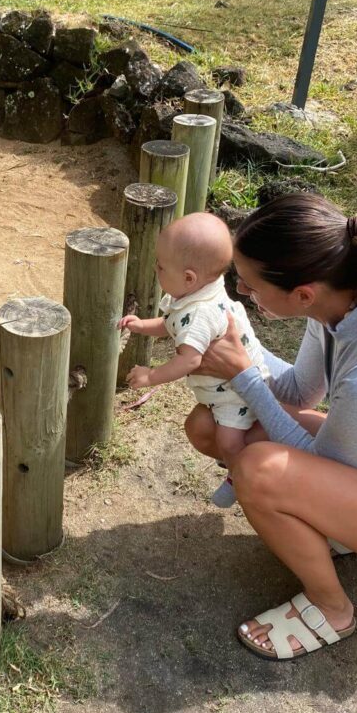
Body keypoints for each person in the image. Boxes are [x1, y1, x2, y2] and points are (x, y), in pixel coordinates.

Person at [184, 194, 357, 661]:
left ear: (303, 293)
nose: (243, 293)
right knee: (209, 424)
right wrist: (243, 351)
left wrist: (243, 373)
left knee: (259, 470)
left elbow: (322, 464)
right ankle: (342, 534)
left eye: (251, 286)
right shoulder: (341, 302)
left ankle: (333, 610)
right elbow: (299, 391)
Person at [118, 212, 269, 507]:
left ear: (189, 277)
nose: (155, 269)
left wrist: (151, 375)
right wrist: (140, 325)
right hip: (232, 385)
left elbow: (189, 360)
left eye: (160, 267)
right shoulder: (197, 294)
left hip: (236, 395)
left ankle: (239, 477)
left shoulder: (201, 313)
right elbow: (171, 325)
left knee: (228, 441)